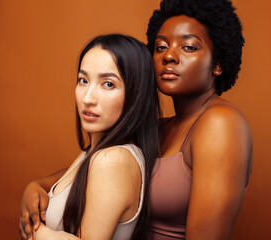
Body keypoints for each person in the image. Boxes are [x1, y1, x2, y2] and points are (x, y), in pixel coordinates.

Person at [20, 0, 253, 239]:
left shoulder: (221, 123)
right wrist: (38, 186)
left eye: (189, 47)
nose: (170, 56)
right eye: (161, 47)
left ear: (218, 64)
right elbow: (98, 168)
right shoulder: (161, 127)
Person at [19, 34, 160, 240]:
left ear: (136, 94)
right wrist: (34, 186)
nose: (88, 98)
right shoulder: (95, 153)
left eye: (108, 84)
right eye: (83, 80)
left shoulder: (112, 160)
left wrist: (35, 230)